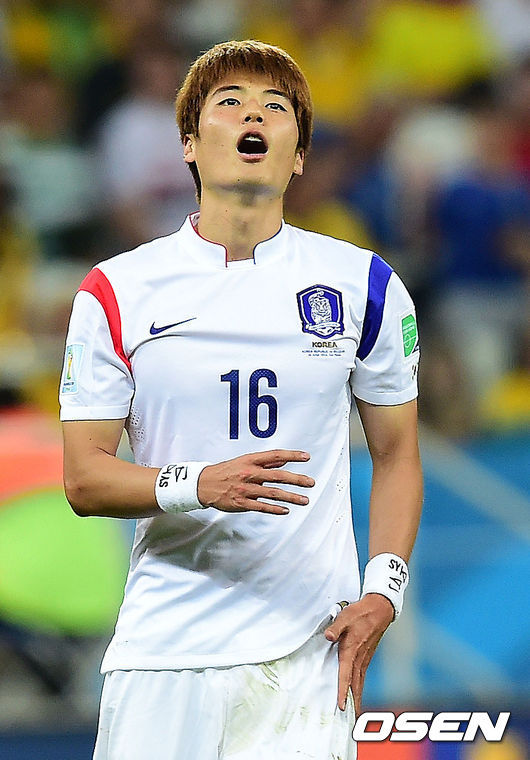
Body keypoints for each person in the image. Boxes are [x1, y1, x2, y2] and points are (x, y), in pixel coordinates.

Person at [60, 40, 422, 760]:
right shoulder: (117, 290)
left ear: (298, 156)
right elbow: (84, 478)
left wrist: (384, 590)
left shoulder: (364, 285)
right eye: (230, 103)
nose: (253, 115)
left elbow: (397, 453)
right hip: (165, 651)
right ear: (190, 145)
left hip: (307, 651)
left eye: (275, 107)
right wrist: (199, 484)